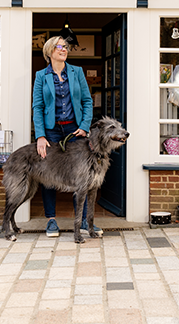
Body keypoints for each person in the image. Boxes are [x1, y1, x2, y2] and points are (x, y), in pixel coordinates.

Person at [32, 36, 103, 238]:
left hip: (75, 130)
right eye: (60, 46)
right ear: (50, 51)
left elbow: (87, 101)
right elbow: (38, 107)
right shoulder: (41, 76)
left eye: (66, 46)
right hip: (51, 132)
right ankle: (51, 220)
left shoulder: (76, 72)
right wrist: (40, 136)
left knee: (81, 175)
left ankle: (82, 221)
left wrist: (84, 126)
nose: (64, 49)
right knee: (48, 174)